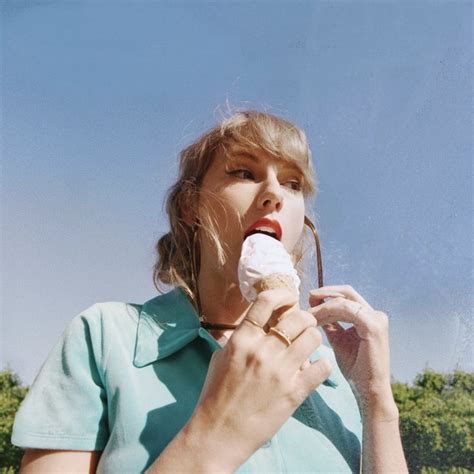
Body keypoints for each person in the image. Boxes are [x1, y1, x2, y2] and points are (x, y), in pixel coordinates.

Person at [12, 110, 408, 473]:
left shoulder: (333, 372)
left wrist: (376, 401)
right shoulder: (103, 337)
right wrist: (218, 434)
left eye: (292, 182)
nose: (274, 193)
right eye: (244, 173)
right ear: (190, 205)